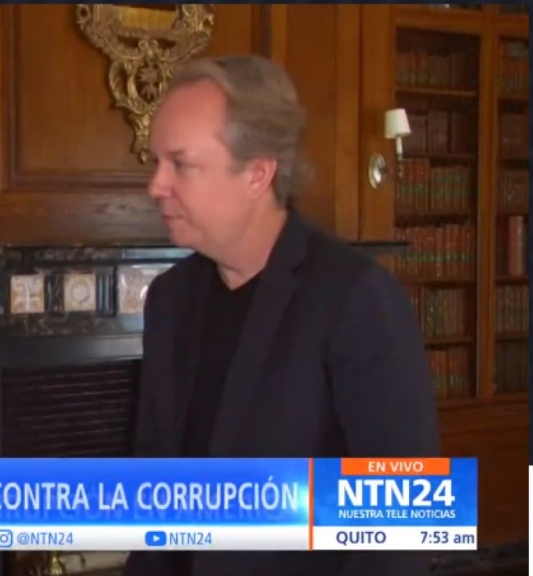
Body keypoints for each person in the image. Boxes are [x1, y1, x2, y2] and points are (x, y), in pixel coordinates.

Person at [124, 55, 440, 576]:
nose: (156, 185)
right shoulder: (169, 299)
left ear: (258, 173)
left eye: (180, 164)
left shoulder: (355, 298)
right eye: (155, 162)